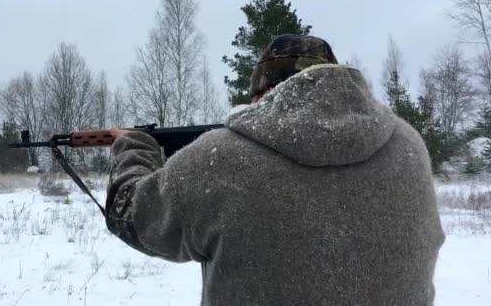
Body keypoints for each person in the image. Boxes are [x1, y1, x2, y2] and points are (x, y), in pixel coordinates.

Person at [106, 34, 445, 305]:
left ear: (261, 93)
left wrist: (132, 144)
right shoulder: (409, 146)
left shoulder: (221, 158)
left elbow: (134, 216)